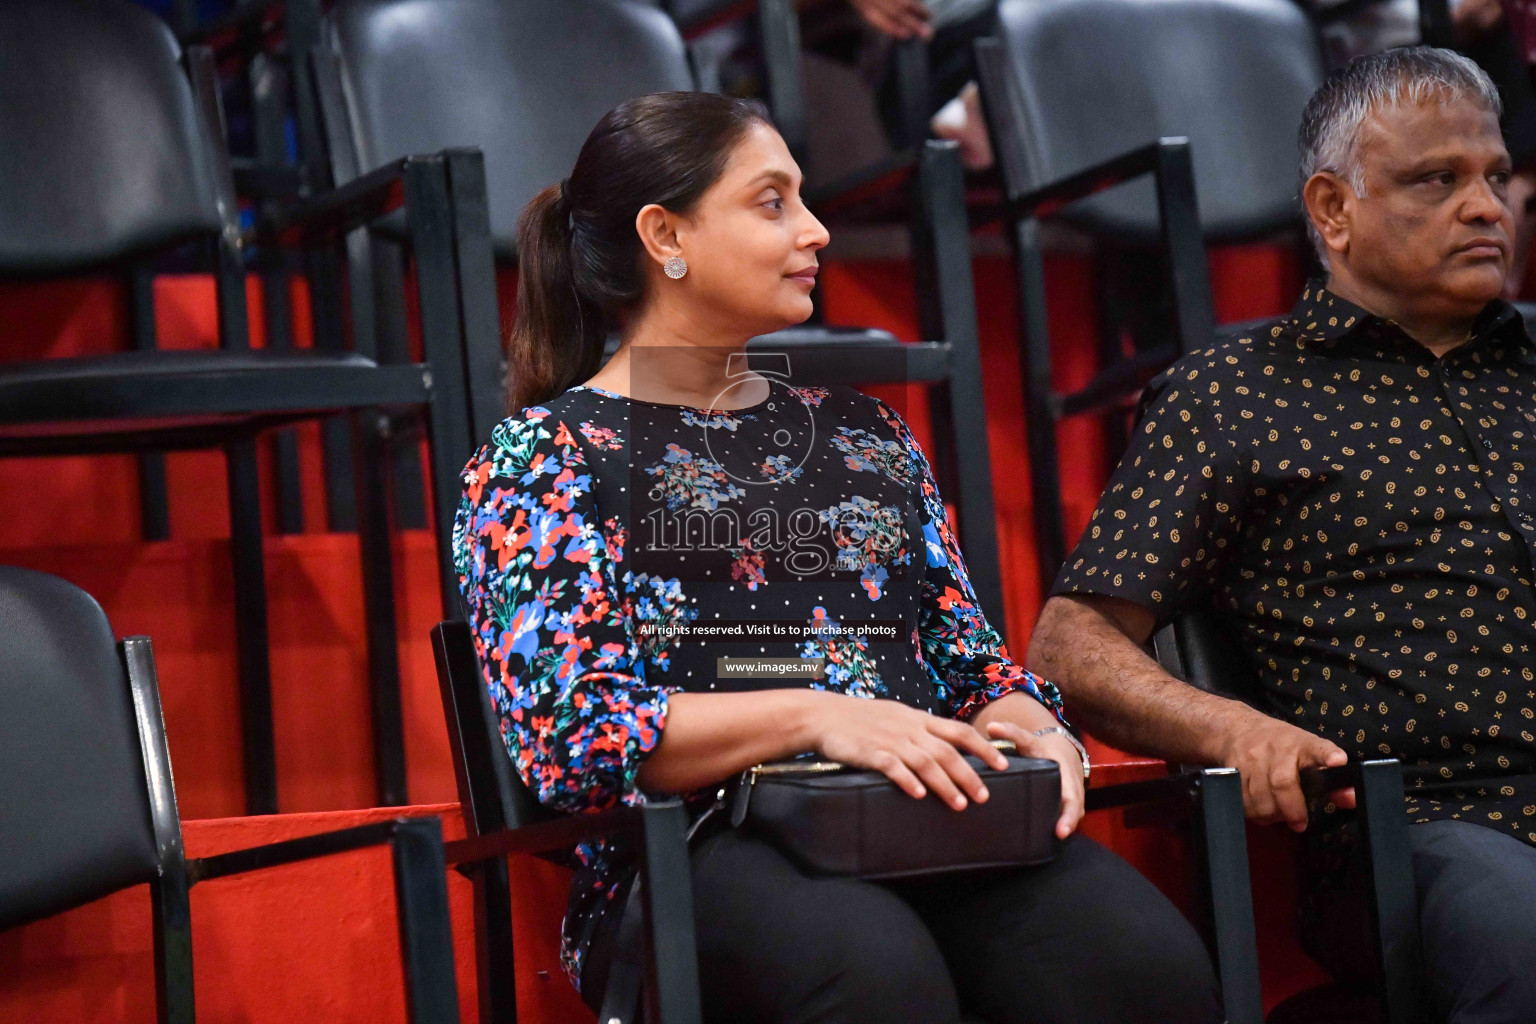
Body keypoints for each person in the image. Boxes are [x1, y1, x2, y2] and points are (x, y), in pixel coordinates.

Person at [454, 91, 1219, 1024]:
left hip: (924, 817)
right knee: (874, 980)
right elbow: (570, 735)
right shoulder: (544, 455)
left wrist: (1027, 716)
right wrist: (816, 716)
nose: (816, 231)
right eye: (772, 203)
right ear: (666, 235)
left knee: (1147, 972)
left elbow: (966, 658)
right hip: (692, 846)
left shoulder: (864, 435)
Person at [1027, 47, 1536, 1023]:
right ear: (1333, 210)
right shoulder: (1235, 395)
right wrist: (1232, 726)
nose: (1486, 207)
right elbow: (1072, 642)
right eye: (1439, 179)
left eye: (1496, 178)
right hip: (1425, 823)